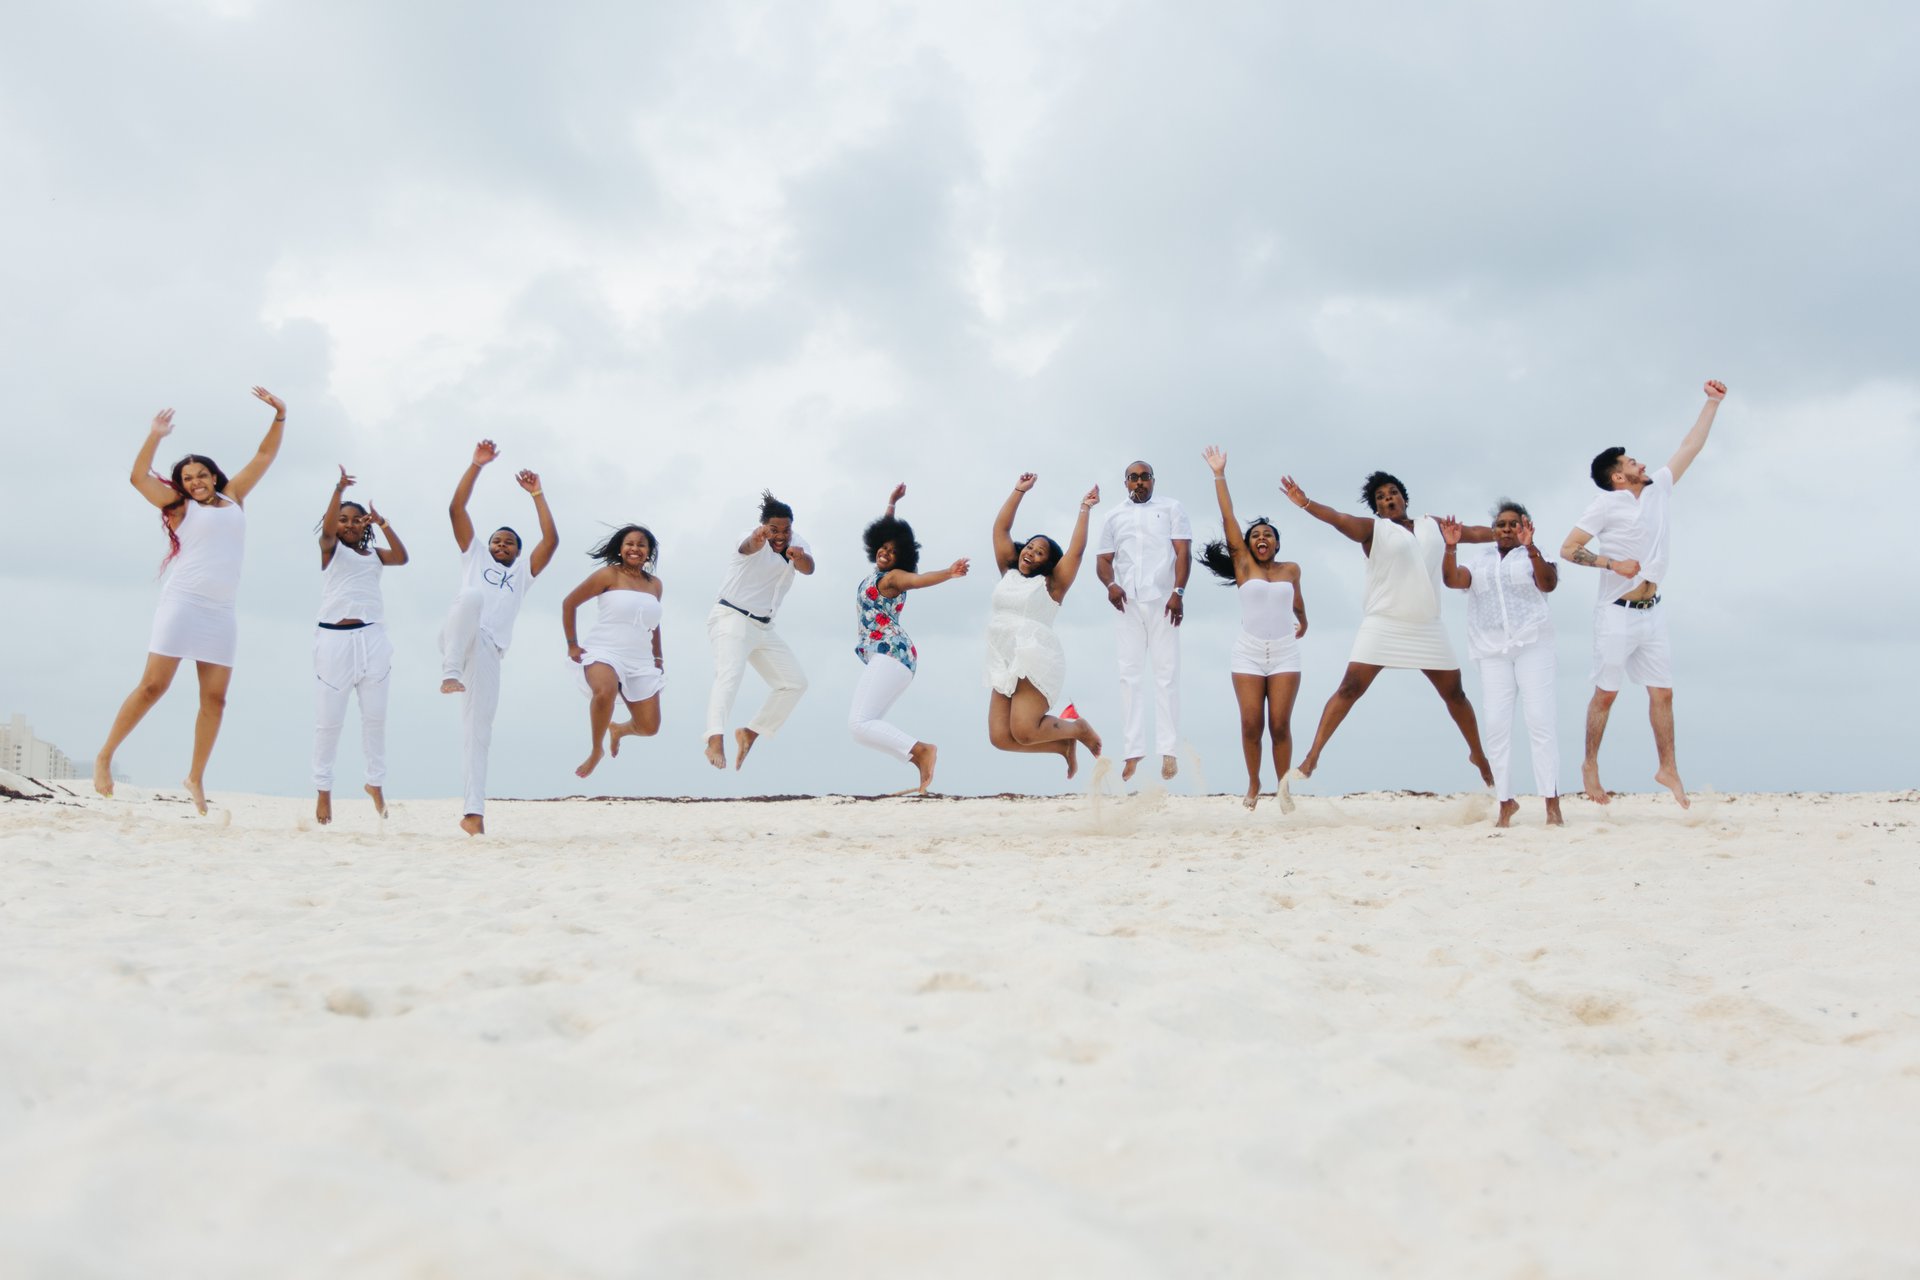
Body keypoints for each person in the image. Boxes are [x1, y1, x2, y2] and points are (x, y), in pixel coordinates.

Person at [95, 388, 287, 814]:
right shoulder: (180, 508)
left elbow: (264, 456)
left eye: (202, 474)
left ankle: (195, 776)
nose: (196, 481)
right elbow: (138, 479)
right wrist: (155, 436)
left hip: (221, 612)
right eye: (187, 478)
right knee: (153, 686)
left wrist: (280, 415)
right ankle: (105, 755)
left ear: (214, 476)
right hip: (182, 603)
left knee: (215, 700)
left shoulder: (234, 498)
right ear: (181, 485)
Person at [1560, 379, 1728, 810]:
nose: (1642, 463)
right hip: (1615, 612)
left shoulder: (1659, 488)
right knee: (1607, 693)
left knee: (1663, 693)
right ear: (1619, 476)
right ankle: (1590, 764)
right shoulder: (1604, 506)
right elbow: (1568, 548)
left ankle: (1668, 767)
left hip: (1652, 612)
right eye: (1632, 461)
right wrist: (1611, 564)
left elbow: (1691, 446)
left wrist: (1712, 402)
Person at [1279, 470, 1496, 793]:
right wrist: (1306, 503)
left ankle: (1478, 756)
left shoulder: (1431, 524)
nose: (1388, 499)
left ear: (1404, 498)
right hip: (1383, 623)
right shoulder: (1374, 530)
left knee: (1455, 695)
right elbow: (1339, 519)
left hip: (1427, 624)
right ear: (1377, 508)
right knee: (1349, 688)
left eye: (1392, 493)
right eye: (1380, 498)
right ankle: (1312, 758)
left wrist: (1505, 533)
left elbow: (1474, 533)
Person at [439, 439, 558, 835]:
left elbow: (551, 542)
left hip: (489, 651)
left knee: (479, 733)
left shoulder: (521, 575)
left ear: (517, 552)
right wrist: (476, 465)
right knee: (471, 596)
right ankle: (449, 671)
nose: (501, 545)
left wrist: (537, 495)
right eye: (496, 540)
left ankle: (473, 814)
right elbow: (456, 509)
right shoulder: (473, 557)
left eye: (508, 542)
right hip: (458, 636)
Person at [1199, 447, 1308, 811]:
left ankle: (1283, 788)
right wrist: (1219, 474)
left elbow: (1296, 600)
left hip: (1284, 653)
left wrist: (1304, 621)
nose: (1262, 538)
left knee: (1279, 725)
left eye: (1268, 534)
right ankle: (1253, 782)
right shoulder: (1244, 566)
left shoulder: (1291, 569)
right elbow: (1227, 515)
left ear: (1277, 542)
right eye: (1256, 535)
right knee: (1250, 724)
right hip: (1248, 652)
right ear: (1247, 544)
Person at [1441, 500, 1560, 827]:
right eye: (1501, 525)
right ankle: (1506, 802)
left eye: (1513, 524)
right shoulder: (1479, 561)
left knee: (1540, 721)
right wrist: (1450, 547)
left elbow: (1548, 583)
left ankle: (1552, 804)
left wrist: (1531, 548)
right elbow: (1453, 580)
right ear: (1493, 530)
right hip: (1492, 649)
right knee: (1496, 725)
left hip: (1533, 644)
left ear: (1525, 527)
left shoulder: (1535, 554)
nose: (1506, 529)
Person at [848, 484, 970, 794]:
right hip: (894, 657)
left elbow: (918, 580)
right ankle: (918, 756)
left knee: (859, 724)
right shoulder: (878, 573)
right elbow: (887, 531)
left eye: (892, 551)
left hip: (892, 653)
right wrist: (891, 503)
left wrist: (948, 572)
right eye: (883, 547)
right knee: (865, 725)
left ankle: (922, 751)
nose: (885, 552)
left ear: (901, 559)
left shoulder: (894, 578)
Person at [985, 474, 1104, 775]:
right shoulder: (1008, 574)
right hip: (1003, 655)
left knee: (1024, 731)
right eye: (1030, 547)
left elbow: (1075, 552)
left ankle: (1077, 728)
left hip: (1034, 655)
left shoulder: (1051, 586)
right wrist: (1019, 491)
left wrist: (1085, 508)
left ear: (1047, 563)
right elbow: (1000, 529)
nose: (1031, 553)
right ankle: (1063, 745)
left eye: (1040, 553)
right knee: (1000, 737)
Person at [312, 465, 409, 825]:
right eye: (343, 520)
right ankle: (323, 790)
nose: (350, 525)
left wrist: (382, 523)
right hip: (334, 639)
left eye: (356, 520)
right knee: (329, 720)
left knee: (375, 718)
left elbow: (402, 557)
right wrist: (338, 490)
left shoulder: (375, 555)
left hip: (373, 638)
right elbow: (326, 531)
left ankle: (375, 783)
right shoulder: (331, 550)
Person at [1095, 459, 1193, 782]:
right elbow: (1103, 560)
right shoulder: (1113, 516)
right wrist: (1111, 585)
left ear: (1153, 480)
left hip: (1164, 600)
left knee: (1167, 675)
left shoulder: (1171, 508)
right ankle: (1133, 752)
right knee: (1129, 675)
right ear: (1125, 482)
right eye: (1133, 478)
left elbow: (1183, 552)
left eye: (1145, 477)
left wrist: (1178, 591)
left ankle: (1169, 751)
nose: (1140, 482)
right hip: (1127, 603)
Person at [705, 491, 814, 771]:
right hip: (731, 616)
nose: (780, 535)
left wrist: (799, 557)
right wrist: (758, 538)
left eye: (786, 530)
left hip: (763, 627)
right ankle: (714, 739)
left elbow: (809, 568)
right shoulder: (751, 537)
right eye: (774, 529)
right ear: (764, 526)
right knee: (729, 675)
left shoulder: (797, 542)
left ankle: (750, 732)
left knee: (795, 683)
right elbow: (748, 546)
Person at [561, 525, 664, 780]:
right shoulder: (608, 575)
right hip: (604, 650)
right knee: (604, 690)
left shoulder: (655, 585)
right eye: (630, 544)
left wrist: (658, 657)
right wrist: (572, 644)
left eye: (641, 545)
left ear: (648, 552)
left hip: (639, 659)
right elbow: (569, 603)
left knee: (649, 727)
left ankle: (618, 730)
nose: (635, 549)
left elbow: (654, 624)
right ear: (620, 548)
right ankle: (596, 749)